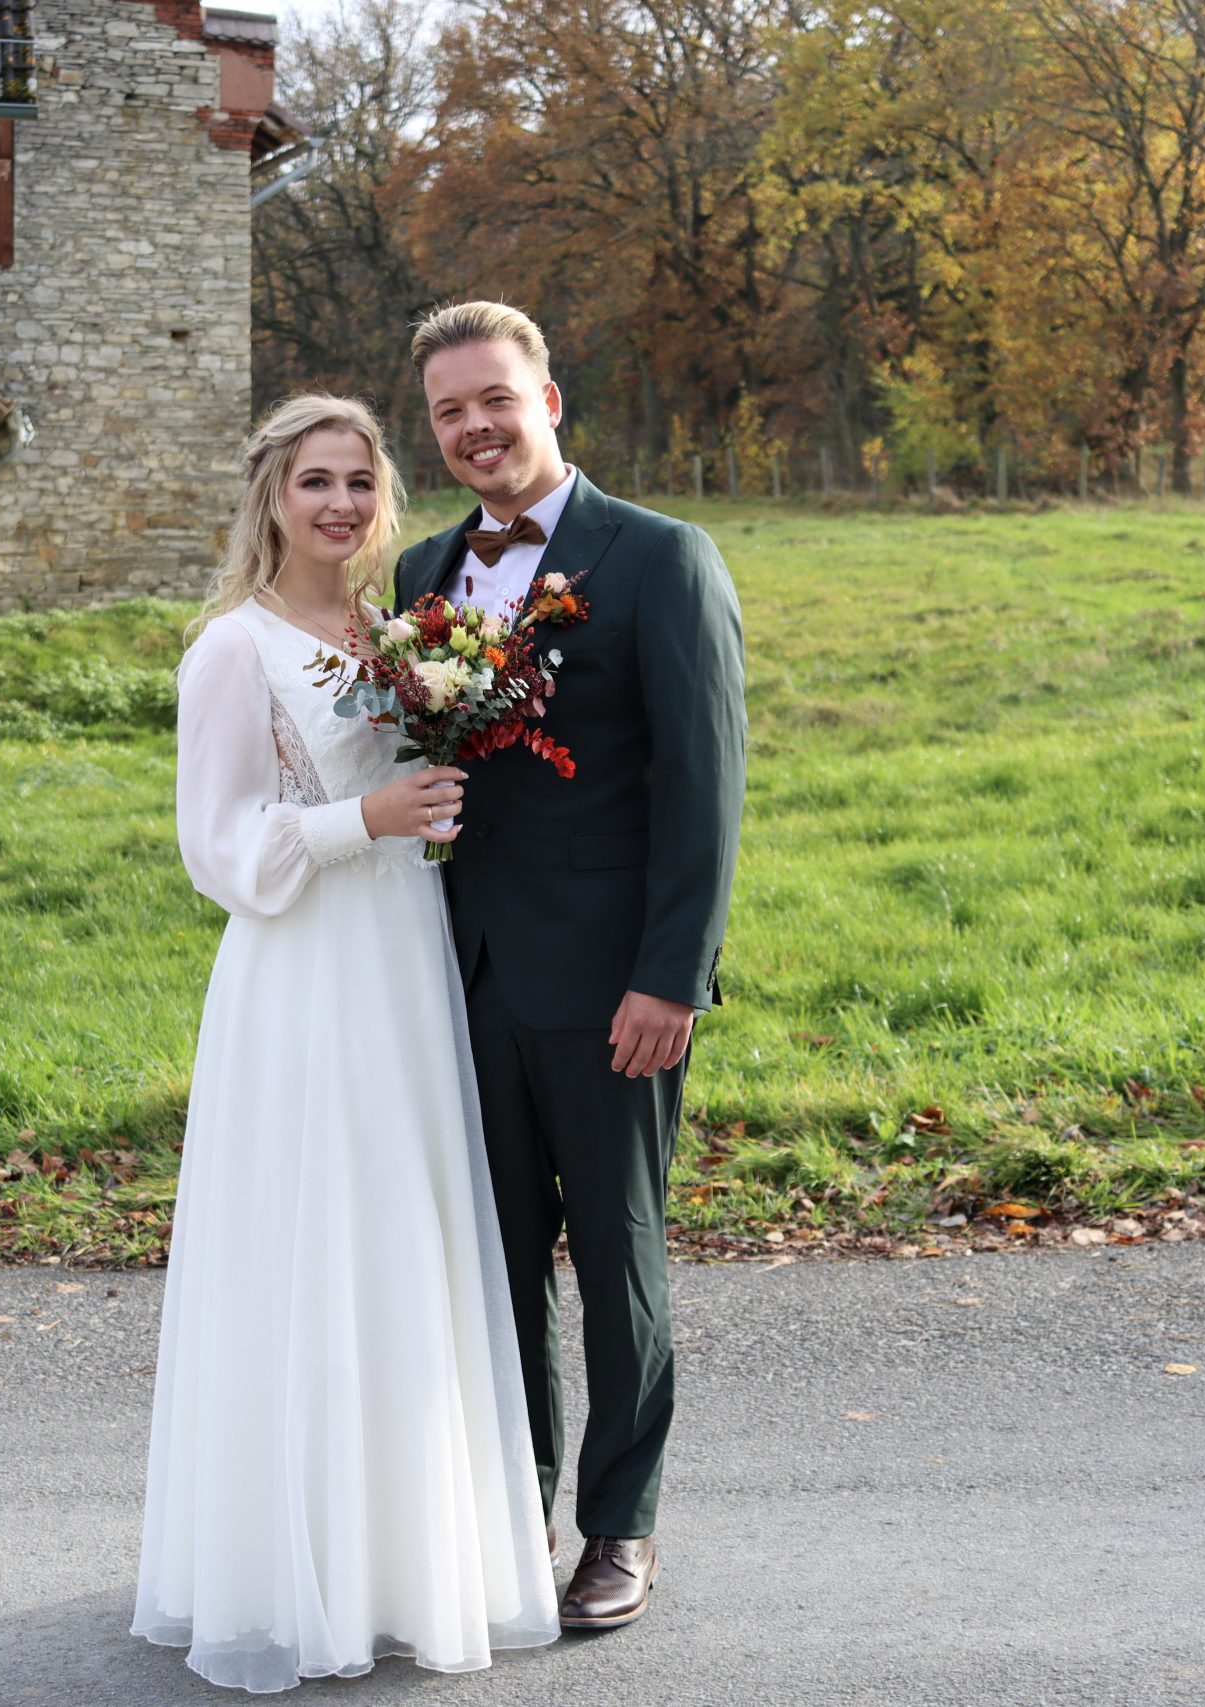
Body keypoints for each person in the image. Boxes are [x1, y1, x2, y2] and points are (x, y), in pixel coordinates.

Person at [131, 393, 561, 1692]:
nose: (340, 505)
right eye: (315, 481)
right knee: (309, 1244)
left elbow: (417, 784)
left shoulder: (397, 634)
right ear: (271, 496)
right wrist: (359, 822)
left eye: (361, 484)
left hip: (403, 964)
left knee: (400, 1240)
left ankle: (398, 1563)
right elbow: (217, 850)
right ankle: (284, 1569)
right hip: (303, 975)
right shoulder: (232, 651)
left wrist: (426, 818)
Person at [392, 302, 746, 1631]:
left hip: (614, 988)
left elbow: (704, 787)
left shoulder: (658, 559)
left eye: (495, 398)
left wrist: (674, 976)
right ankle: (509, 1510)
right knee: (497, 1262)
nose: (475, 427)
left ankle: (622, 1527)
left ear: (551, 401)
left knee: (615, 1253)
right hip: (461, 977)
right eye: (448, 411)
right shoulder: (424, 571)